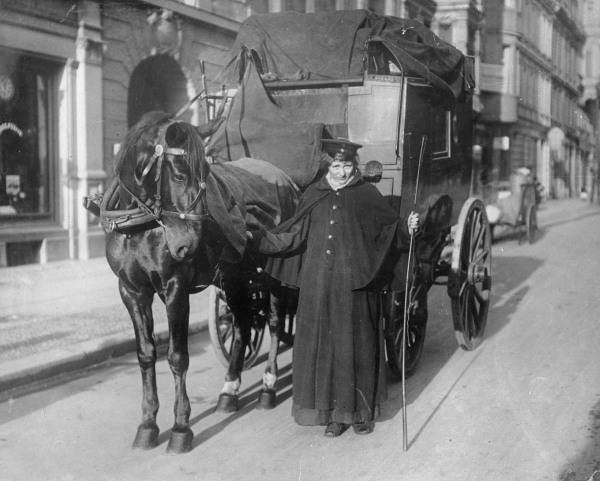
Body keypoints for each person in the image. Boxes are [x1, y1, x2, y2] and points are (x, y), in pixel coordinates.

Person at [248, 138, 419, 437]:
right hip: (319, 287)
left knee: (359, 346)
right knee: (325, 350)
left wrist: (409, 226)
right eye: (337, 165)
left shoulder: (366, 193)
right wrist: (259, 238)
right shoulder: (314, 194)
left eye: (347, 166)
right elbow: (294, 235)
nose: (341, 172)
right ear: (329, 165)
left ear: (355, 166)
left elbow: (390, 228)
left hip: (356, 286)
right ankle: (335, 416)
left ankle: (361, 413)